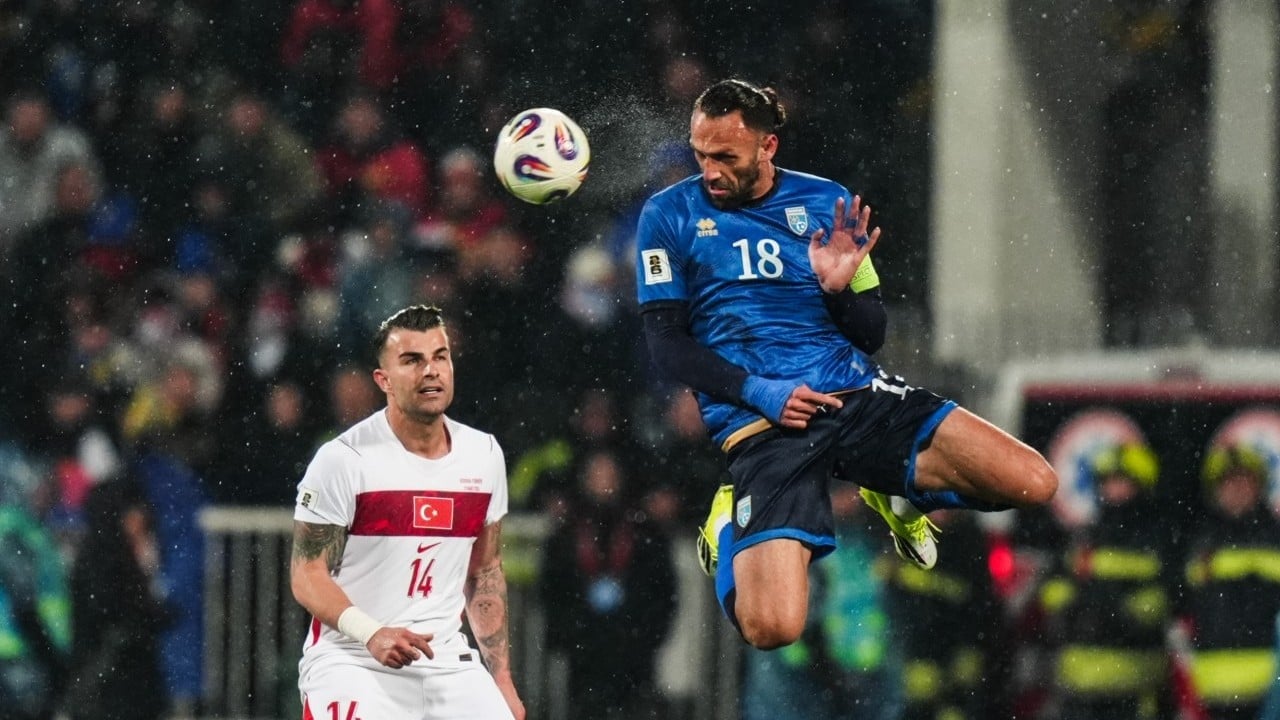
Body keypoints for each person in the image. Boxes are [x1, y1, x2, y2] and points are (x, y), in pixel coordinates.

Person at [633, 78, 1058, 650]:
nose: (710, 170)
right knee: (773, 628)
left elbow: (873, 331)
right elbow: (666, 345)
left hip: (858, 397)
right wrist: (760, 392)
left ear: (767, 148)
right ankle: (732, 514)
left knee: (1034, 483)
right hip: (766, 425)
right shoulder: (667, 215)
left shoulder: (826, 202)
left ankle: (891, 487)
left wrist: (838, 290)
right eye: (700, 154)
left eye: (725, 157)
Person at [289, 304, 525, 720]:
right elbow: (307, 574)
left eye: (440, 356)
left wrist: (501, 678)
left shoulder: (484, 455)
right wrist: (371, 633)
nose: (430, 371)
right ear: (383, 380)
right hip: (353, 659)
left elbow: (484, 571)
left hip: (448, 662)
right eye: (412, 360)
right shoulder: (344, 459)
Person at [1036, 441, 1173, 720]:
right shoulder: (1081, 538)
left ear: (1141, 488)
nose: (1115, 490)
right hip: (1080, 686)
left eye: (1123, 482)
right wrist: (1077, 603)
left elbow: (1165, 600)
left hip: (1135, 687)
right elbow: (1050, 591)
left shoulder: (1156, 543)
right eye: (1109, 482)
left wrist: (1118, 611)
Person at [1180, 442, 1280, 720]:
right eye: (1228, 482)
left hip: (1271, 689)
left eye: (1244, 481)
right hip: (1212, 688)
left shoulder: (1274, 537)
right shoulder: (1202, 541)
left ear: (1259, 487)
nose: (1236, 490)